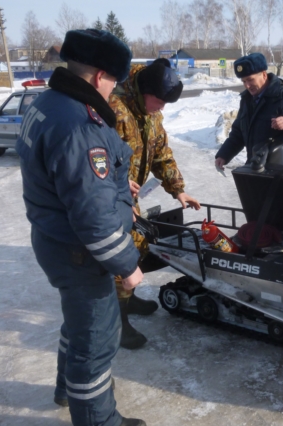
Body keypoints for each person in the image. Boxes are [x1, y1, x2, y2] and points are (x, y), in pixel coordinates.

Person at [16, 29, 146, 426]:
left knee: (78, 325)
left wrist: (111, 182)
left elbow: (68, 177)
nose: (115, 91)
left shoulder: (49, 103)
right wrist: (127, 264)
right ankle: (98, 421)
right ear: (98, 76)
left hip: (53, 238)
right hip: (78, 251)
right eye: (114, 82)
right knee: (96, 341)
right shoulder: (80, 125)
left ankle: (63, 389)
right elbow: (92, 217)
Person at [108, 58, 201, 349]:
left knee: (138, 246)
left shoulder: (151, 113)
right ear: (142, 90)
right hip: (108, 195)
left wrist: (178, 189)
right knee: (120, 254)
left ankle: (130, 299)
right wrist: (116, 182)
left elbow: (161, 151)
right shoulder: (113, 109)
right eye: (159, 101)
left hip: (131, 196)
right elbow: (94, 156)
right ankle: (116, 323)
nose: (161, 107)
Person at [215, 52, 283, 170]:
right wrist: (224, 155)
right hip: (258, 168)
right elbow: (239, 133)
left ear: (263, 75)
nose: (247, 85)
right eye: (243, 81)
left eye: (250, 80)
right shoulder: (247, 100)